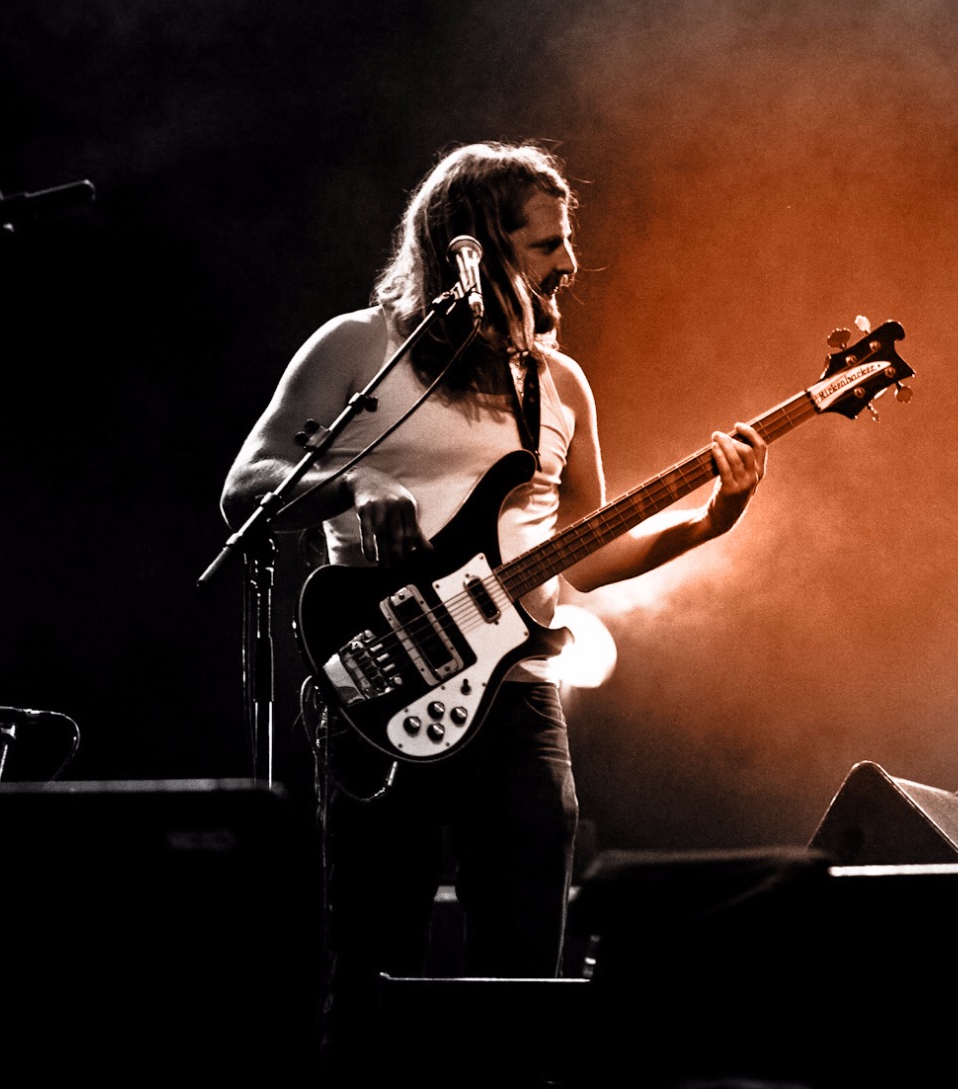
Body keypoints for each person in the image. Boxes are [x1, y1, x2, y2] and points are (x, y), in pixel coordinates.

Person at [219, 142, 767, 1069]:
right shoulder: (360, 348)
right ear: (474, 245)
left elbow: (589, 556)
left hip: (518, 697)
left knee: (525, 970)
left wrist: (708, 522)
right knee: (370, 962)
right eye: (547, 244)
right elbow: (247, 487)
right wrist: (352, 487)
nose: (571, 263)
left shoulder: (559, 384)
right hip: (380, 685)